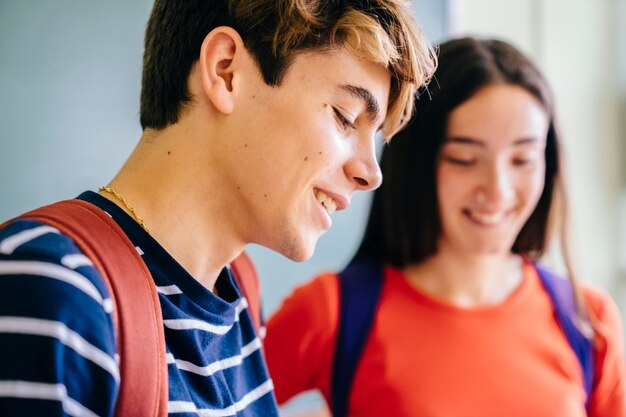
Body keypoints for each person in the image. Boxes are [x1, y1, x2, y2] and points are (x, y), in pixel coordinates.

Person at [0, 1, 437, 415]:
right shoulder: (50, 288)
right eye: (345, 116)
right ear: (225, 71)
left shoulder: (239, 288)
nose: (371, 173)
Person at [264, 37, 626, 417]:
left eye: (523, 159)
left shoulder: (589, 320)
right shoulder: (333, 311)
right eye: (464, 159)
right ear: (419, 163)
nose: (497, 189)